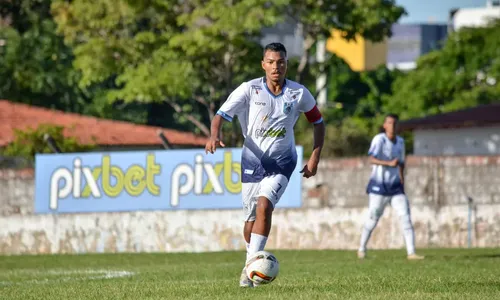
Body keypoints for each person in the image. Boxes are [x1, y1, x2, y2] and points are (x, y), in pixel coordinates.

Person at [205, 42, 325, 287]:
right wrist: (214, 134)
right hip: (252, 162)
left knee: (264, 205)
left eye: (280, 62)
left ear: (286, 64)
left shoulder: (299, 93)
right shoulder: (248, 90)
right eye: (270, 62)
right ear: (263, 64)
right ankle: (251, 261)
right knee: (250, 222)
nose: (275, 66)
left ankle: (248, 272)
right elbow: (220, 114)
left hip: (283, 163)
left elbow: (318, 122)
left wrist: (314, 157)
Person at [357, 114, 424, 260]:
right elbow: (371, 159)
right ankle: (361, 248)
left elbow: (401, 163)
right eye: (389, 123)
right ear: (385, 125)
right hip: (379, 187)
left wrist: (402, 181)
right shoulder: (379, 139)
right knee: (373, 218)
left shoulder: (400, 141)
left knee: (405, 216)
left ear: (397, 126)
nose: (392, 126)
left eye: (394, 123)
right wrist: (388, 163)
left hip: (395, 187)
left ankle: (411, 252)